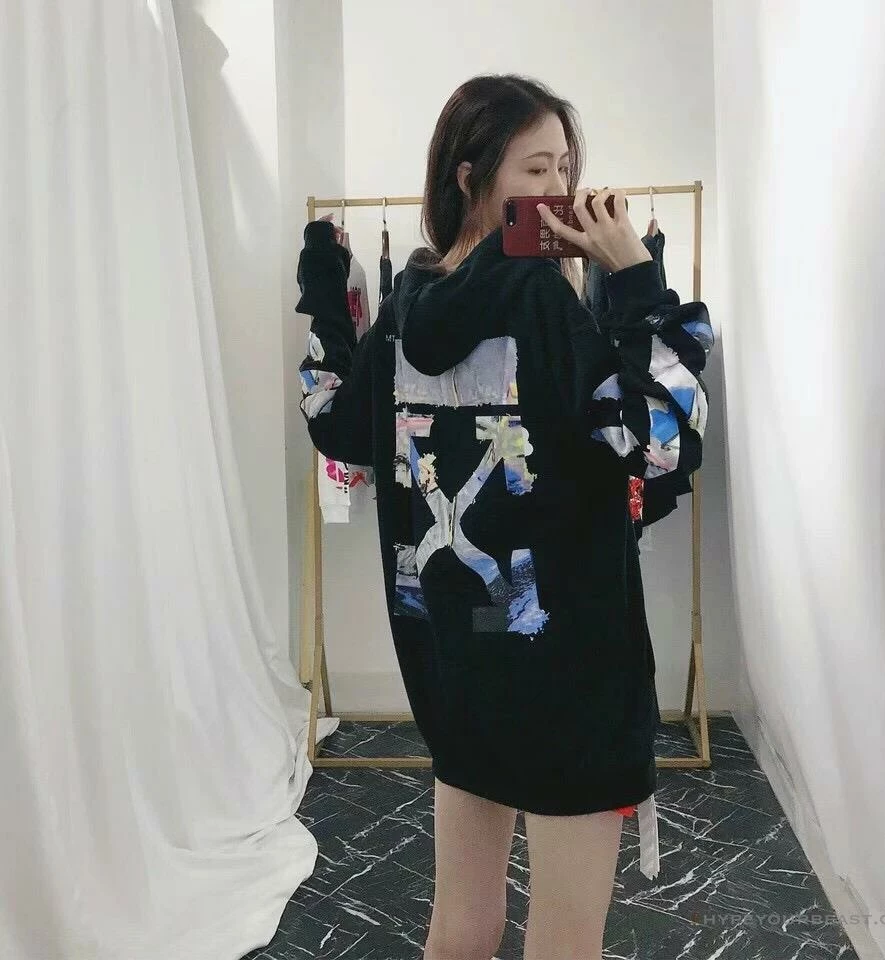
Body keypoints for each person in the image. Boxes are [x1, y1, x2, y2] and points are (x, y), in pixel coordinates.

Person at [296, 74, 712, 960]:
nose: (560, 190)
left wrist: (326, 300)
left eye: (565, 166)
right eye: (536, 168)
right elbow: (662, 442)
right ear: (471, 177)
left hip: (458, 663)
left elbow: (334, 421)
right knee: (563, 941)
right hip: (570, 681)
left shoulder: (404, 305)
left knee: (460, 925)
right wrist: (636, 281)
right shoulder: (543, 300)